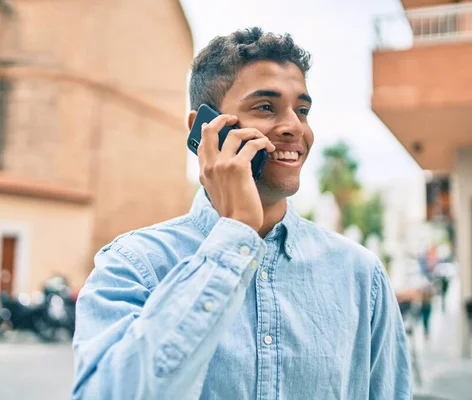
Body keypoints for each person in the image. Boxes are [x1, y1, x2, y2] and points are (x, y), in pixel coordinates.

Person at [72, 27, 411, 400]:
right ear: (203, 130)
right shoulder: (134, 265)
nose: (294, 127)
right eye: (266, 107)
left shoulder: (361, 275)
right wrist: (235, 233)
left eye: (302, 110)